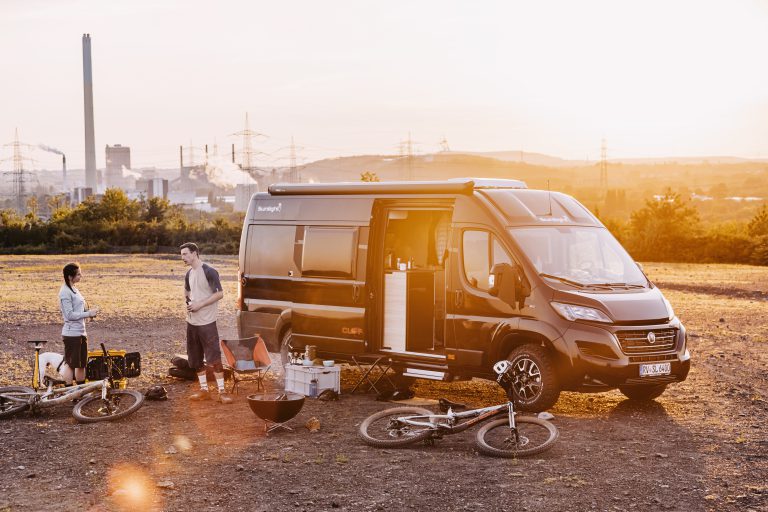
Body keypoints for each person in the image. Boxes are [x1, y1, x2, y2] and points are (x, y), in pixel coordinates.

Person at [180, 242, 233, 404]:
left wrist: (200, 304)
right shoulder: (189, 273)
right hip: (192, 323)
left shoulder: (209, 271)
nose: (183, 257)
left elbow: (219, 294)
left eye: (185, 254)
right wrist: (189, 301)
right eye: (182, 255)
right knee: (195, 359)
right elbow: (187, 290)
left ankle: (222, 392)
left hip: (207, 322)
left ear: (195, 253)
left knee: (214, 358)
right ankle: (204, 390)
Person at [59, 262, 99, 386]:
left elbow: (78, 309)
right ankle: (69, 391)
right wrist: (88, 314)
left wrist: (88, 312)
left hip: (80, 332)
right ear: (70, 277)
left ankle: (80, 393)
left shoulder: (74, 288)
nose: (81, 276)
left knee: (81, 364)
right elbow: (69, 315)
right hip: (72, 334)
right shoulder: (65, 292)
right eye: (78, 274)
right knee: (71, 365)